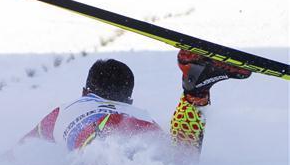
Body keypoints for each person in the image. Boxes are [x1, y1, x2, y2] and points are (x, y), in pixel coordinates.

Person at [21, 53, 250, 155]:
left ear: (84, 92)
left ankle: (196, 88)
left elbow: (24, 146)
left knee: (177, 160)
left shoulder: (62, 111)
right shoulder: (135, 112)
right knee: (180, 158)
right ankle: (194, 93)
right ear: (129, 99)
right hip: (133, 124)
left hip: (98, 129)